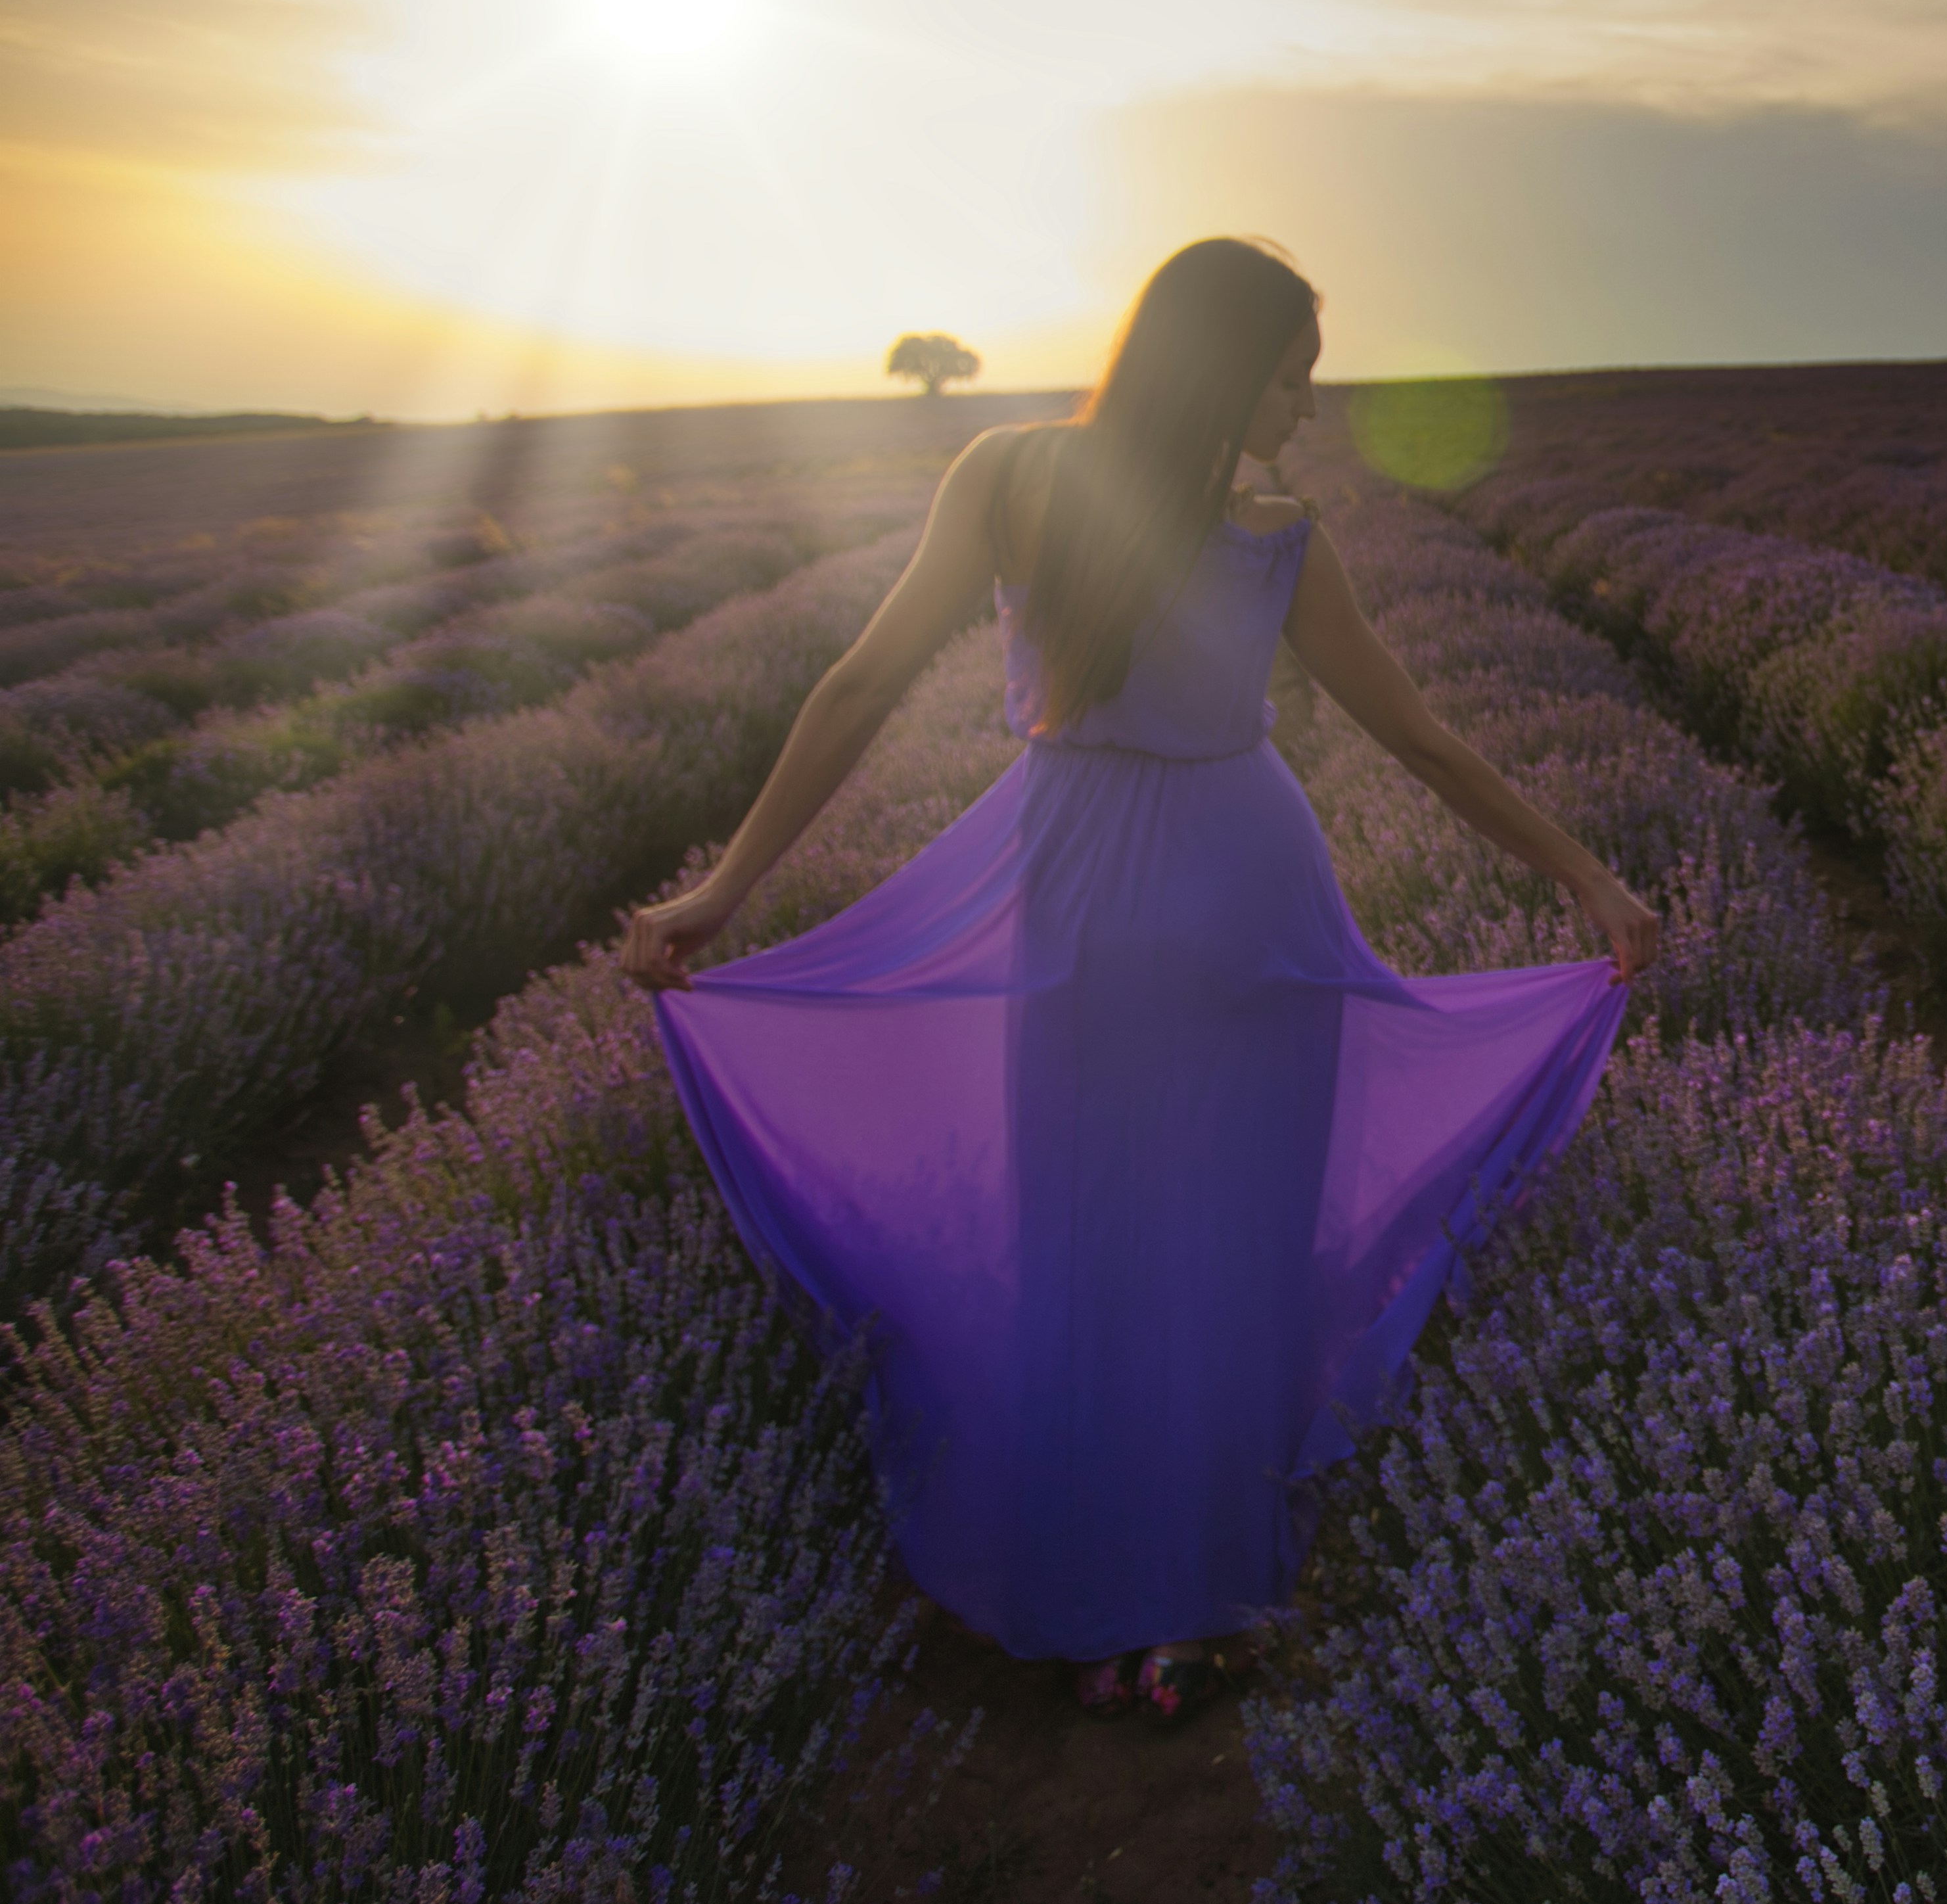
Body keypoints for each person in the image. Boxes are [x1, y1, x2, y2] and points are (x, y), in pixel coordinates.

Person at [618, 237, 1659, 1722]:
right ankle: (1210, 1597)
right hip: (1246, 903)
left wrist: (721, 892)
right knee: (1231, 1257)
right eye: (1293, 371)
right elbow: (1419, 741)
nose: (1306, 404)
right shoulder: (1278, 532)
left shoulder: (1007, 475)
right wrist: (1587, 877)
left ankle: (1091, 1583)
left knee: (1083, 1243)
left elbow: (859, 681)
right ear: (1228, 366)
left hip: (1077, 900)